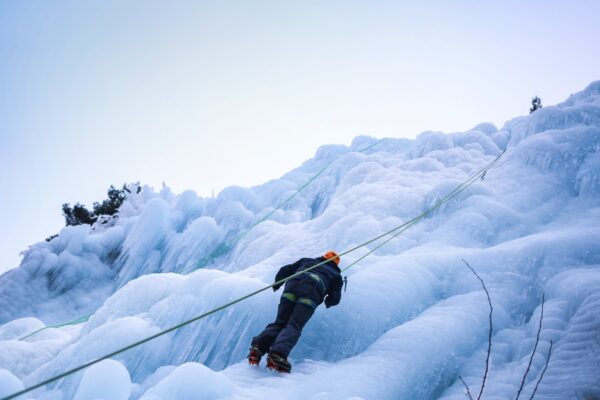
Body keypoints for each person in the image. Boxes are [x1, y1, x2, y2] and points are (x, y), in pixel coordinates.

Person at [248, 250, 344, 373]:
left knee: (280, 322)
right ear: (336, 264)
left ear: (322, 257)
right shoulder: (336, 276)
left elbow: (285, 270)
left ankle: (258, 347)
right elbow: (335, 299)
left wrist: (277, 284)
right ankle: (278, 354)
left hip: (292, 287)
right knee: (294, 324)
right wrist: (328, 302)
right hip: (311, 292)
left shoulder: (307, 261)